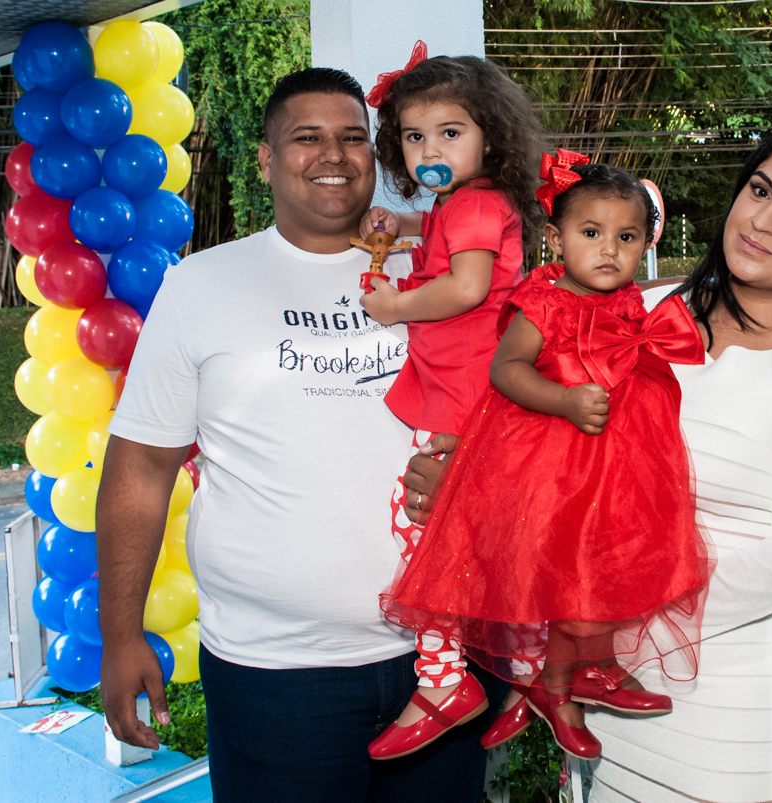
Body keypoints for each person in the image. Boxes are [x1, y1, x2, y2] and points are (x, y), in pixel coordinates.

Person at [403, 124, 772, 802]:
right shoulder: (638, 312)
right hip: (603, 696)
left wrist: (609, 624)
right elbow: (550, 448)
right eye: (759, 190)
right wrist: (469, 482)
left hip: (731, 700)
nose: (763, 219)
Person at [95, 68, 505, 803]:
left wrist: (477, 476)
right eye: (306, 137)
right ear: (264, 158)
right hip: (273, 674)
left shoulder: (442, 266)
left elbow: (523, 411)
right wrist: (120, 635)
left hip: (445, 657)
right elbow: (141, 467)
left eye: (353, 137)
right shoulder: (202, 285)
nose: (334, 155)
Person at [379, 155, 712, 763]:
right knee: (559, 574)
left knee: (606, 565)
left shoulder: (631, 301)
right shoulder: (545, 301)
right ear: (557, 240)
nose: (609, 249)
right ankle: (552, 693)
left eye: (626, 237)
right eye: (592, 234)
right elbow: (504, 371)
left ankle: (592, 672)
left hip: (615, 461)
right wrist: (562, 399)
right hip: (550, 459)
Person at [351, 48, 544, 760]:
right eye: (413, 136)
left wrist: (394, 304)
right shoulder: (466, 202)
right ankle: (529, 672)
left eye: (449, 133)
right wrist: (399, 229)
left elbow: (464, 288)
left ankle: (442, 680)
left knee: (425, 530)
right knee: (495, 542)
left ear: (489, 134)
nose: (430, 149)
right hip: (478, 391)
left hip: (462, 396)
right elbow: (457, 254)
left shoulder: (469, 203)